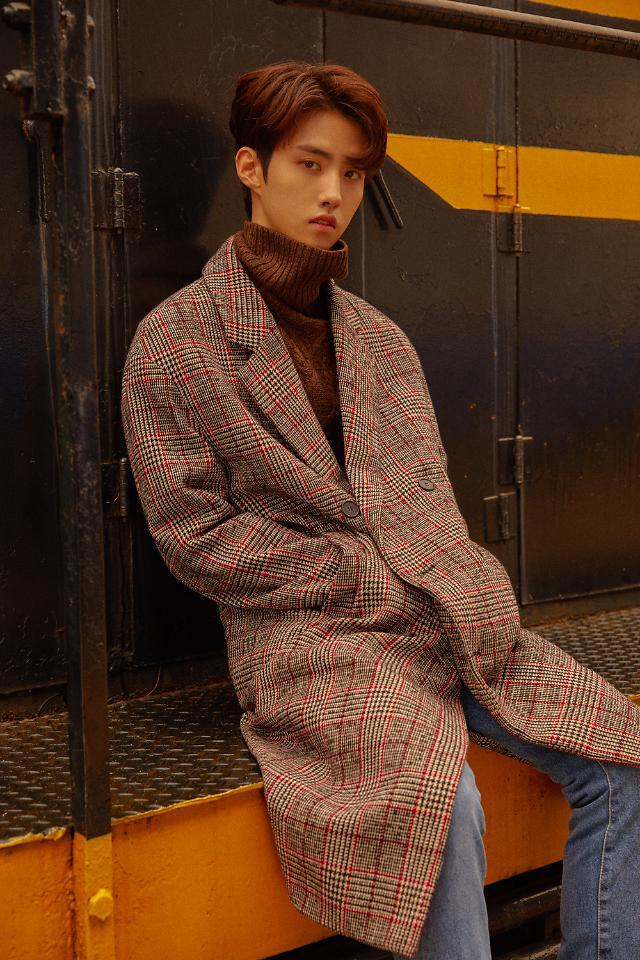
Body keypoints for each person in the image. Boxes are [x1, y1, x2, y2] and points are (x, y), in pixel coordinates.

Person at [121, 60, 640, 959]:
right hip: (313, 642)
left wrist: (463, 583)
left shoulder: (378, 340)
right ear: (251, 168)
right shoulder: (175, 341)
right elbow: (193, 534)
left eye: (354, 173)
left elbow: (426, 498)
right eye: (310, 164)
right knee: (440, 807)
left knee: (625, 751)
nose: (334, 193)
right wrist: (353, 573)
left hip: (443, 619)